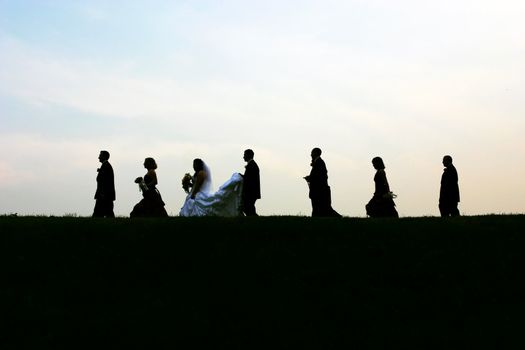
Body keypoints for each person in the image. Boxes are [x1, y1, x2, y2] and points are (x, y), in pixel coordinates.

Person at [179, 158, 244, 217]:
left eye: (195, 164)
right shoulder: (197, 173)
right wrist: (188, 184)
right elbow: (195, 185)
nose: (193, 166)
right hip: (196, 192)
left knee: (193, 203)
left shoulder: (201, 173)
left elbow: (198, 186)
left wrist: (193, 195)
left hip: (198, 193)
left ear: (198, 165)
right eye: (193, 164)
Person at [303, 148, 341, 217]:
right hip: (320, 190)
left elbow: (320, 177)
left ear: (315, 153)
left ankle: (338, 218)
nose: (311, 155)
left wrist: (310, 178)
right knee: (322, 209)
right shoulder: (319, 162)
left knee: (322, 209)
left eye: (312, 153)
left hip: (319, 191)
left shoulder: (319, 163)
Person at [93, 150, 115, 218]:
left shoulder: (106, 166)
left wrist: (102, 193)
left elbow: (105, 181)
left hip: (104, 194)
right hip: (105, 194)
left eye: (100, 155)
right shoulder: (106, 166)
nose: (98, 157)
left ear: (104, 156)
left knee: (99, 213)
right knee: (108, 212)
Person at [241, 149, 261, 216]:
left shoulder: (252, 165)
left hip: (251, 192)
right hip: (252, 192)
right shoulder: (252, 165)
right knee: (249, 209)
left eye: (244, 155)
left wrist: (242, 177)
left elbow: (249, 179)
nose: (243, 157)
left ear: (248, 155)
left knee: (248, 208)